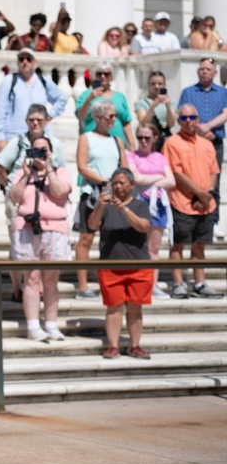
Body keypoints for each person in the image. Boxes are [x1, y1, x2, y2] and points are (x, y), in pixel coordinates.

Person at [0, 104, 67, 300]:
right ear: (26, 121)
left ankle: (38, 286)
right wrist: (11, 186)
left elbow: (60, 169)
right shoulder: (18, 142)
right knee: (16, 244)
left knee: (43, 246)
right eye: (31, 120)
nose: (35, 123)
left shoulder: (55, 144)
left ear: (47, 121)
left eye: (39, 120)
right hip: (20, 199)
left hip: (46, 199)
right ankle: (18, 287)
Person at [8, 136, 72, 341]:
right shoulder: (23, 173)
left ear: (51, 152)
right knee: (32, 278)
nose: (39, 155)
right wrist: (26, 176)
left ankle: (51, 324)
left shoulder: (60, 172)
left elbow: (60, 193)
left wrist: (50, 168)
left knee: (51, 280)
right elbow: (14, 197)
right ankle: (33, 326)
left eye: (43, 150)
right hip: (28, 229)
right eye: (35, 150)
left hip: (54, 229)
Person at [87, 168, 153, 359]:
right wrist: (100, 206)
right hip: (110, 265)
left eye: (121, 182)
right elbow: (91, 225)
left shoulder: (140, 205)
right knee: (114, 307)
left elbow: (143, 227)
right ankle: (113, 346)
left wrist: (124, 210)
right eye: (114, 183)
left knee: (135, 307)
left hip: (138, 265)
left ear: (132, 185)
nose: (117, 186)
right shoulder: (105, 207)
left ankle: (135, 346)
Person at [162, 104, 224, 299]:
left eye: (191, 117)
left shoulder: (207, 143)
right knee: (178, 244)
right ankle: (178, 283)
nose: (188, 121)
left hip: (205, 204)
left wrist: (208, 194)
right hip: (182, 202)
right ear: (179, 121)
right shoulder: (172, 143)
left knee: (199, 245)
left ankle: (199, 283)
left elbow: (214, 170)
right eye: (184, 118)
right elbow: (176, 172)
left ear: (198, 119)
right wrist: (198, 193)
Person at [74, 101, 128, 300]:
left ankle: (111, 280)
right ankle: (83, 286)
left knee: (112, 238)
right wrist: (105, 181)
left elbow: (124, 166)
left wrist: (118, 184)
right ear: (97, 118)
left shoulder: (117, 140)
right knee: (86, 238)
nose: (114, 120)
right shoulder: (86, 138)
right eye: (110, 116)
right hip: (93, 193)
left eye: (115, 116)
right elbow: (82, 167)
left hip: (114, 193)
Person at [126, 122, 175, 299]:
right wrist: (158, 177)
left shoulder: (160, 157)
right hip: (139, 203)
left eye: (147, 138)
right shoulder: (130, 156)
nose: (143, 141)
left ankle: (152, 284)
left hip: (158, 203)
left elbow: (172, 182)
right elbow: (135, 179)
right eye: (140, 138)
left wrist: (150, 180)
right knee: (137, 244)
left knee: (153, 247)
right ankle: (136, 282)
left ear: (155, 138)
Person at [178, 57, 227, 229]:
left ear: (214, 73)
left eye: (208, 69)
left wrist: (209, 126)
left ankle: (213, 220)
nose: (204, 72)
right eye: (202, 69)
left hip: (215, 142)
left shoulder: (222, 92)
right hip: (192, 142)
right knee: (193, 178)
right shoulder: (188, 92)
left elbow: (225, 113)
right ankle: (192, 217)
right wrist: (199, 130)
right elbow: (183, 113)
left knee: (214, 180)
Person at [0, 48, 67, 151]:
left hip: (40, 137)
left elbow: (61, 98)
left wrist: (49, 115)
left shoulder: (43, 81)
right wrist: (0, 137)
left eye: (28, 59)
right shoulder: (9, 81)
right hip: (14, 136)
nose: (25, 62)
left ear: (34, 62)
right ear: (17, 63)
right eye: (21, 59)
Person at [75, 62, 135, 151]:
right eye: (99, 74)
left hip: (117, 142)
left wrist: (132, 144)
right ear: (94, 75)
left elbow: (126, 122)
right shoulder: (86, 94)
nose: (103, 76)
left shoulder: (120, 96)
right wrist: (89, 99)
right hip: (94, 143)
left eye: (106, 74)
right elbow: (81, 116)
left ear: (111, 76)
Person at [134, 71, 175, 151]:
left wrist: (168, 106)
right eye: (153, 84)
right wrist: (153, 106)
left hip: (165, 139)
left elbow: (171, 124)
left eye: (160, 84)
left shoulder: (170, 102)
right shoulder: (141, 103)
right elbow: (143, 123)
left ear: (164, 85)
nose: (156, 86)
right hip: (149, 140)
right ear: (148, 85)